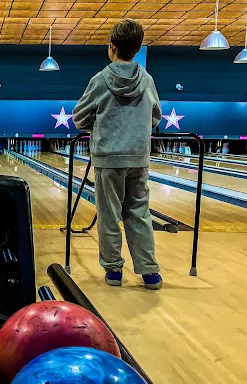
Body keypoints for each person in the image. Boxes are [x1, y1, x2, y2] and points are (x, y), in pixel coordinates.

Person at [72, 19, 163, 290]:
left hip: (108, 158)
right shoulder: (146, 79)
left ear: (112, 47)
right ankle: (150, 273)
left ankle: (113, 271)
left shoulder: (100, 79)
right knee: (139, 212)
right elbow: (156, 117)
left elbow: (78, 117)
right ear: (136, 49)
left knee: (109, 214)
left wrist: (99, 125)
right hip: (138, 157)